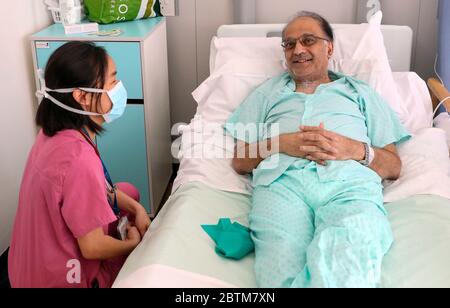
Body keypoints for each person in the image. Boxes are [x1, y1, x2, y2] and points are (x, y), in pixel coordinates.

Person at [225, 11, 411, 288]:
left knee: (350, 252)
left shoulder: (361, 93)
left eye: (308, 40)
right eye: (289, 44)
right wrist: (280, 143)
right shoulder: (266, 94)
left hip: (349, 186)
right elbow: (240, 161)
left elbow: (394, 166)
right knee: (280, 268)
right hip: (282, 185)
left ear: (329, 47)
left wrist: (356, 149)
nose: (297, 50)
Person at [8, 41, 151, 288]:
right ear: (82, 96)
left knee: (127, 191)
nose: (118, 89)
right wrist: (133, 245)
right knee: (135, 256)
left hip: (26, 266)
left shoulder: (54, 135)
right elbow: (93, 248)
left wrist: (137, 209)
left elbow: (102, 190)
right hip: (60, 278)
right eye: (112, 82)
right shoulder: (77, 159)